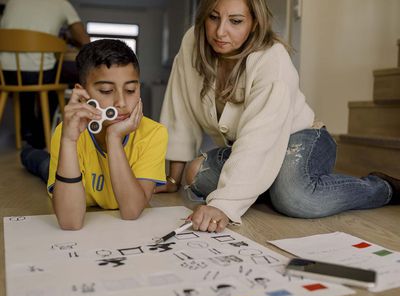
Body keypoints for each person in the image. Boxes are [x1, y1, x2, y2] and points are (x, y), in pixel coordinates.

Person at [156, 0, 400, 233]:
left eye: (236, 21)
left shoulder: (273, 59)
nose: (221, 31)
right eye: (214, 17)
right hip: (250, 147)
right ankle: (264, 184)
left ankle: (383, 188)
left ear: (254, 22)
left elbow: (260, 138)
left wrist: (224, 205)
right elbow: (180, 109)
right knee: (195, 173)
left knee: (294, 198)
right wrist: (172, 179)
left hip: (303, 138)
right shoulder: (192, 43)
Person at [42, 39, 167, 230]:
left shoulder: (154, 134)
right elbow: (70, 222)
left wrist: (114, 138)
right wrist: (68, 140)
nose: (122, 103)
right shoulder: (66, 133)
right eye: (107, 91)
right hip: (64, 164)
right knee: (38, 163)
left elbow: (131, 211)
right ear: (82, 95)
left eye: (131, 90)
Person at [0, 0, 90, 148]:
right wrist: (70, 40)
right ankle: (42, 134)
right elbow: (85, 41)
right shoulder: (62, 4)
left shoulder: (12, 1)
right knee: (56, 82)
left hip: (6, 74)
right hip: (38, 73)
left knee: (26, 78)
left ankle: (27, 129)